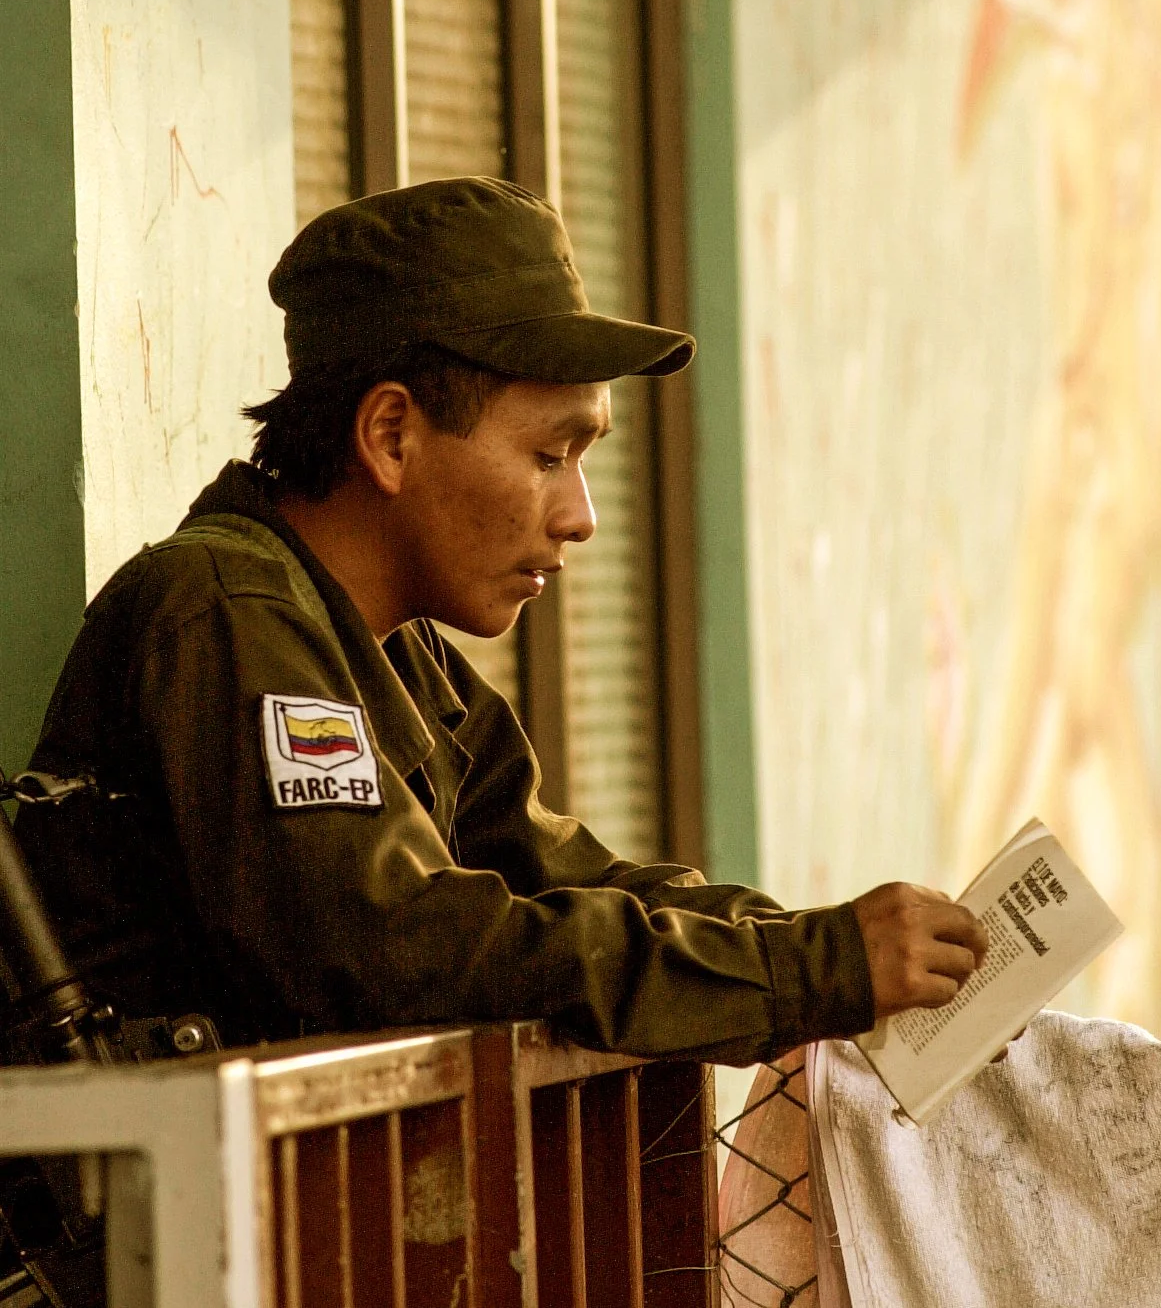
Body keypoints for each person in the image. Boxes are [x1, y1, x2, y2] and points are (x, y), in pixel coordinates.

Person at [16, 178, 987, 1059]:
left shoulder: (397, 652)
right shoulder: (227, 610)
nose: (580, 516)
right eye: (548, 456)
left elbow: (566, 881)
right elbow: (406, 945)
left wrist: (824, 951)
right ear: (391, 436)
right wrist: (812, 968)